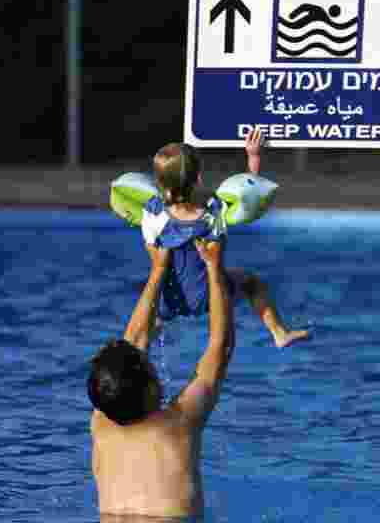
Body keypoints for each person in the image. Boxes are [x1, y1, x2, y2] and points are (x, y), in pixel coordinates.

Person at [88, 238, 233, 520]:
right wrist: (213, 268)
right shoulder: (179, 423)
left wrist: (158, 268)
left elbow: (134, 342)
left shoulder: (100, 423)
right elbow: (221, 346)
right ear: (151, 389)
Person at [143, 128, 308, 348]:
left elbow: (153, 252)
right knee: (252, 283)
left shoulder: (152, 210)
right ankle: (279, 333)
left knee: (151, 321)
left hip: (167, 296)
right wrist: (253, 156)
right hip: (208, 294)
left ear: (160, 181)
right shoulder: (213, 207)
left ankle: (140, 347)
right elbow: (249, 196)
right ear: (198, 177)